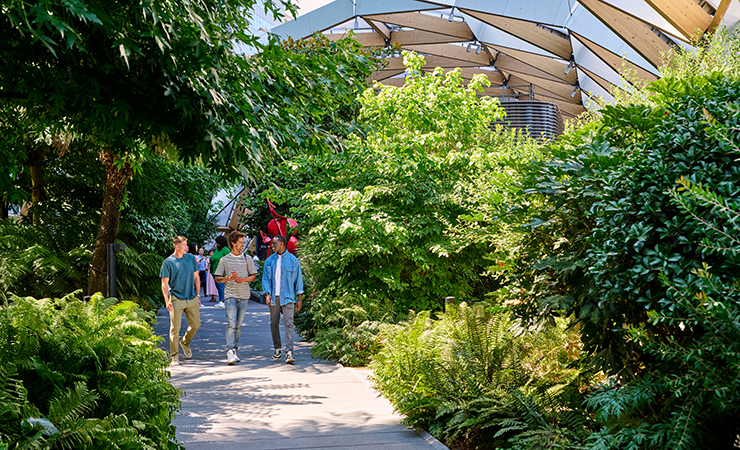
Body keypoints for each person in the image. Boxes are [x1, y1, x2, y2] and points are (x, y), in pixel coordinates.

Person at [214, 231, 257, 365]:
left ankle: (234, 349)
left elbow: (253, 276)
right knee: (231, 323)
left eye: (243, 243)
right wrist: (228, 278)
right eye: (240, 243)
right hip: (230, 294)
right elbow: (217, 278)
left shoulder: (247, 259)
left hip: (244, 295)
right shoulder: (225, 259)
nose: (243, 245)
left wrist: (241, 279)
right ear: (233, 243)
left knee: (238, 326)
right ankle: (230, 350)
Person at [262, 234, 303, 364]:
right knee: (274, 324)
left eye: (274, 243)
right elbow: (265, 279)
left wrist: (299, 298)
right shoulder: (269, 261)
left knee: (289, 323)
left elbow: (299, 280)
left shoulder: (293, 260)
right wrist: (267, 294)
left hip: (289, 297)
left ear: (282, 244)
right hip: (274, 297)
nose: (272, 245)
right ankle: (277, 348)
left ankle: (289, 351)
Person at [160, 236, 201, 366]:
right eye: (184, 245)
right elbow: (164, 283)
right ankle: (175, 356)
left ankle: (185, 343)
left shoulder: (190, 259)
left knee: (196, 325)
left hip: (192, 297)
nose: (187, 247)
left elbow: (196, 277)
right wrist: (167, 301)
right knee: (175, 329)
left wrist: (198, 295)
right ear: (177, 246)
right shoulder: (168, 262)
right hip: (176, 298)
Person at [210, 235, 229, 308]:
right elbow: (212, 258)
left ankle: (222, 301)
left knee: (221, 286)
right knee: (218, 286)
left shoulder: (225, 250)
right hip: (215, 270)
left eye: (218, 243)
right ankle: (222, 300)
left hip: (222, 271)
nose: (217, 244)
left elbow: (228, 260)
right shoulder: (217, 250)